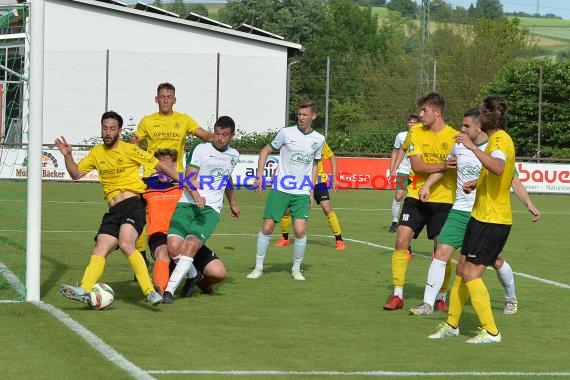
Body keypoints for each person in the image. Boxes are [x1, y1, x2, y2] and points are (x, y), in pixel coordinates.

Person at [409, 108, 540, 316]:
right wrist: (428, 185)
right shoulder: (458, 146)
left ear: (480, 127)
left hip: (483, 214)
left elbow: (513, 179)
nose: (461, 129)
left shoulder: (494, 147)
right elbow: (446, 167)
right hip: (459, 211)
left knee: (496, 260)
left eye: (466, 125)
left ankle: (510, 298)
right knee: (441, 253)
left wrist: (529, 204)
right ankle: (427, 303)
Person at [56, 111, 189, 307]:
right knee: (99, 248)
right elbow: (75, 173)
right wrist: (68, 156)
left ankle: (150, 291)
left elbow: (160, 166)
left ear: (119, 130)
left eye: (112, 128)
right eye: (104, 128)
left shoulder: (130, 150)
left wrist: (184, 182)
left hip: (132, 207)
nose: (108, 132)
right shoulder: (96, 153)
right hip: (113, 211)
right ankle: (84, 289)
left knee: (127, 244)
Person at [429, 95, 515, 343]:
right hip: (480, 216)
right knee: (462, 270)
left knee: (472, 275)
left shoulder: (499, 139)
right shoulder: (499, 140)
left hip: (492, 219)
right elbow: (500, 174)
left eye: (480, 113)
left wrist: (472, 147)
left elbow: (499, 167)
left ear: (487, 118)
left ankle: (491, 331)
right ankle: (452, 324)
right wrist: (477, 182)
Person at [383, 92, 457, 311]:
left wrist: (441, 169)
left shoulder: (454, 137)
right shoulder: (415, 131)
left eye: (425, 110)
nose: (421, 114)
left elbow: (453, 167)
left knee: (442, 249)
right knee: (401, 240)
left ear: (437, 112)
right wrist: (443, 165)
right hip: (415, 196)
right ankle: (397, 295)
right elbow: (417, 166)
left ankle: (441, 296)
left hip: (444, 199)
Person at [132, 82, 213, 280]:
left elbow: (202, 133)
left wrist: (215, 137)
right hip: (152, 177)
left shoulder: (183, 119)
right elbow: (134, 143)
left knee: (176, 219)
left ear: (174, 100)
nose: (166, 100)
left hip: (177, 178)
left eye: (169, 97)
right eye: (162, 96)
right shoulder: (147, 121)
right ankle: (141, 255)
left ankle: (177, 256)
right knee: (141, 218)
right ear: (156, 99)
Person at [162, 116, 240, 304]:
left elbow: (226, 179)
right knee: (173, 248)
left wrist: (233, 203)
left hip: (209, 209)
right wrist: (196, 195)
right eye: (217, 133)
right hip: (186, 203)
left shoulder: (234, 155)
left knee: (190, 246)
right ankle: (194, 274)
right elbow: (189, 176)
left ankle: (169, 292)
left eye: (224, 135)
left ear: (232, 136)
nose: (219, 138)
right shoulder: (201, 149)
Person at [246, 100, 325, 281]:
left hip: (302, 191)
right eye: (299, 114)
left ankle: (296, 269)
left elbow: (315, 164)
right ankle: (258, 267)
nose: (301, 118)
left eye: (305, 115)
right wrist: (260, 176)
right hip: (280, 188)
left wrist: (311, 191)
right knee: (267, 228)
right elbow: (265, 150)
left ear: (313, 116)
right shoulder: (285, 133)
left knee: (299, 230)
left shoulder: (319, 139)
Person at [143, 149, 221, 298]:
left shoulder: (185, 186)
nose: (163, 171)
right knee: (164, 253)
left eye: (166, 167)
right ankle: (158, 291)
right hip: (160, 235)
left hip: (184, 234)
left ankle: (197, 280)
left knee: (218, 272)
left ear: (174, 165)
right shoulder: (145, 186)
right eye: (160, 167)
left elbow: (217, 177)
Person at [274, 141, 345, 250]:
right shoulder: (295, 141)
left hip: (319, 181)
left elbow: (332, 157)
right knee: (287, 209)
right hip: (301, 181)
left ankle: (339, 240)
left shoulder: (319, 140)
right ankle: (285, 238)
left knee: (326, 207)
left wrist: (334, 177)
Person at [388, 114, 419, 233]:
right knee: (398, 196)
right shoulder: (401, 136)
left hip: (417, 173)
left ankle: (412, 223)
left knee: (414, 199)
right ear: (408, 124)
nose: (412, 124)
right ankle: (395, 221)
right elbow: (395, 152)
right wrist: (392, 170)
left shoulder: (422, 136)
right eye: (410, 122)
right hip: (403, 171)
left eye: (414, 122)